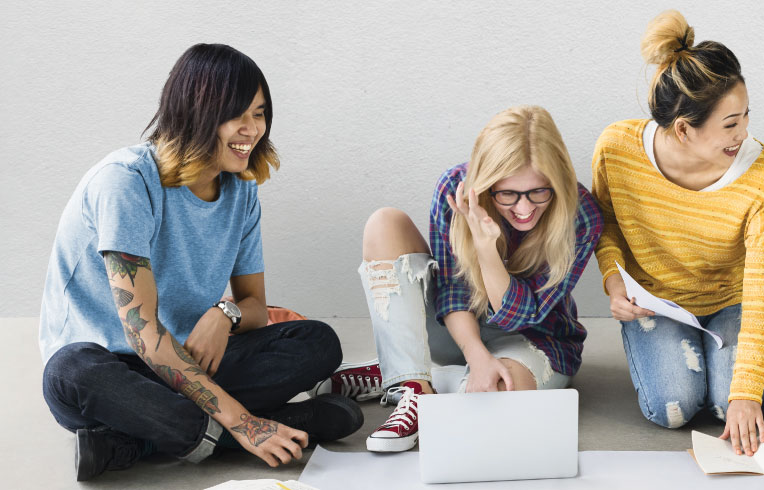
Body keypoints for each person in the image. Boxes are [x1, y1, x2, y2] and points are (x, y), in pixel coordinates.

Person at [39, 44, 362, 481]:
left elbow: (252, 304)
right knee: (69, 372)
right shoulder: (126, 183)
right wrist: (245, 424)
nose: (253, 130)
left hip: (187, 362)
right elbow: (143, 334)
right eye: (237, 115)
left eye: (260, 113)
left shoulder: (241, 190)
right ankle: (277, 427)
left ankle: (143, 438)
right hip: (112, 371)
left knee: (318, 342)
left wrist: (223, 314)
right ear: (196, 113)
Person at [314, 105, 601, 452]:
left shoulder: (580, 213)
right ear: (486, 182)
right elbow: (453, 291)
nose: (524, 209)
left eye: (539, 191)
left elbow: (525, 314)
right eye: (508, 194)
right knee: (384, 223)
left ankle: (406, 373)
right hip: (455, 328)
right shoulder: (455, 188)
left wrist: (485, 248)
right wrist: (476, 354)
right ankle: (415, 387)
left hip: (534, 338)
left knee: (492, 407)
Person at [591, 10, 764, 456]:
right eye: (730, 124)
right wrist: (613, 279)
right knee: (672, 408)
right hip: (656, 300)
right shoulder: (616, 149)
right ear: (684, 129)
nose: (744, 132)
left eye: (746, 116)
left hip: (731, 298)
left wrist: (743, 396)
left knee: (727, 407)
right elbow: (607, 222)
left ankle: (724, 375)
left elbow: (760, 286)